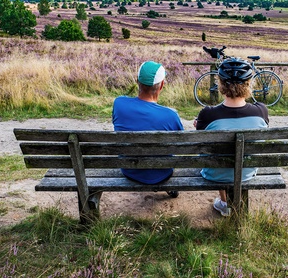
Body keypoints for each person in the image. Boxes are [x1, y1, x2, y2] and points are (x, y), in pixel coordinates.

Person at [194, 57, 269, 216]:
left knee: (219, 157)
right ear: (249, 83)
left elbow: (201, 140)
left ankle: (224, 203)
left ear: (220, 83)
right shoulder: (261, 111)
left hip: (215, 174)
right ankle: (234, 205)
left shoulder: (207, 114)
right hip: (246, 172)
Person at [112, 61, 184, 191]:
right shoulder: (171, 115)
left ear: (137, 81)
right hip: (161, 174)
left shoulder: (119, 104)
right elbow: (180, 145)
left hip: (129, 171)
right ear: (162, 85)